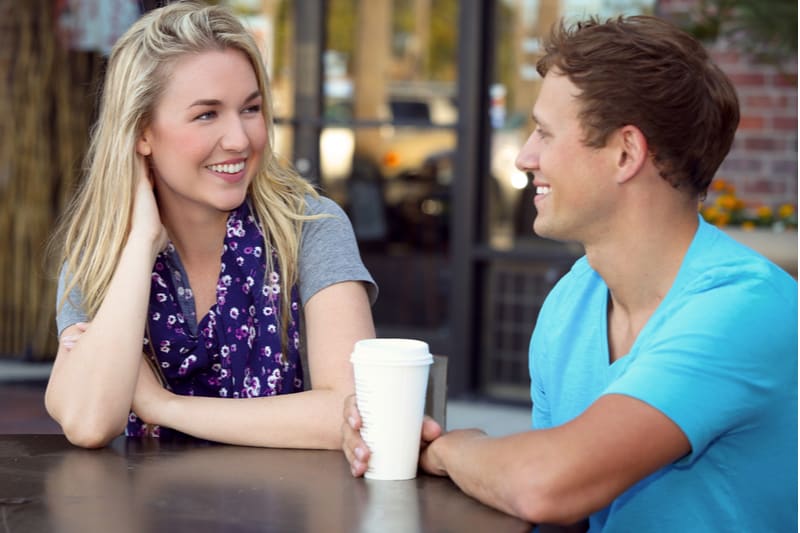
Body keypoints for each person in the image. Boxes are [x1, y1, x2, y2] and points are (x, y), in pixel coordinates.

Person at [343, 15, 798, 531]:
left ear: (626, 152)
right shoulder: (572, 301)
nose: (523, 157)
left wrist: (451, 450)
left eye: (544, 132)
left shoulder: (745, 308)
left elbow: (547, 486)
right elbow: (563, 516)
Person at [47, 1, 377, 450]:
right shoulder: (103, 248)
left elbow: (353, 412)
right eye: (206, 114)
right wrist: (141, 242)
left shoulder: (309, 225)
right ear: (142, 131)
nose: (240, 140)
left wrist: (162, 405)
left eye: (250, 109)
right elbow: (88, 423)